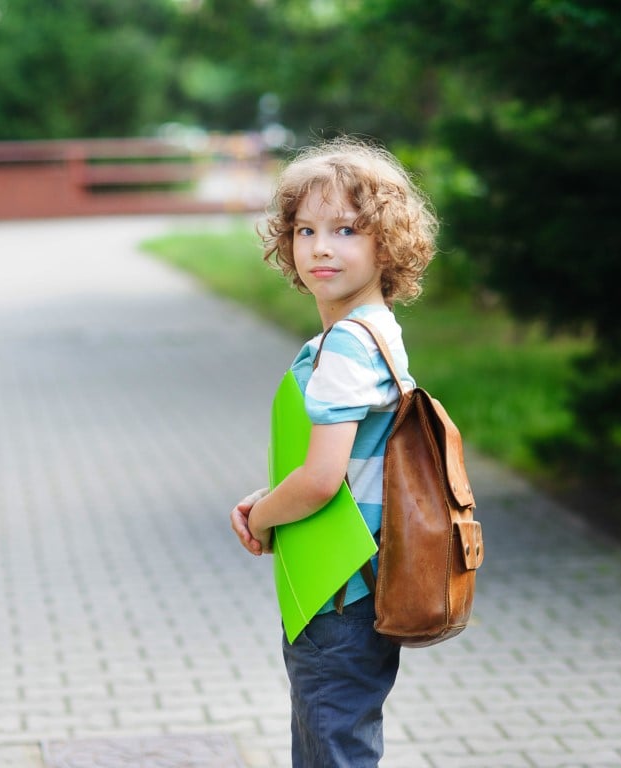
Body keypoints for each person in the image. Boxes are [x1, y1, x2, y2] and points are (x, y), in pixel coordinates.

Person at [230, 136, 438, 767]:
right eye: (306, 229)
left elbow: (322, 481)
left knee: (333, 754)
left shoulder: (348, 344)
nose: (322, 246)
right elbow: (341, 467)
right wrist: (271, 494)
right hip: (360, 583)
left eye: (347, 228)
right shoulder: (377, 329)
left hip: (338, 592)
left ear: (387, 244)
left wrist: (261, 518)